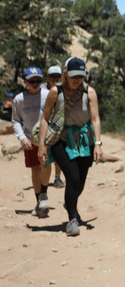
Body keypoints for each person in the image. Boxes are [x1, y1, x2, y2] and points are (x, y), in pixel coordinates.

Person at [37, 57, 103, 237]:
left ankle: (70, 202)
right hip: (61, 140)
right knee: (72, 177)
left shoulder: (90, 93)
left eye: (80, 76)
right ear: (65, 74)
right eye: (73, 76)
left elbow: (95, 119)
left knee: (80, 181)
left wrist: (97, 144)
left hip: (84, 141)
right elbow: (44, 118)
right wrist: (41, 145)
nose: (77, 80)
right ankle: (72, 219)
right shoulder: (54, 92)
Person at [11, 67, 53, 217]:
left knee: (46, 164)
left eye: (38, 80)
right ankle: (39, 201)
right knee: (35, 169)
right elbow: (15, 120)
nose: (35, 83)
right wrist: (22, 137)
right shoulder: (19, 99)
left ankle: (44, 193)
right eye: (32, 81)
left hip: (46, 138)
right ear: (25, 82)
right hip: (29, 138)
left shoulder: (48, 95)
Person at [43, 65, 66, 189]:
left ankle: (57, 177)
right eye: (53, 76)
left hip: (58, 125)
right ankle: (43, 180)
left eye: (58, 76)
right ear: (48, 76)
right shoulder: (41, 89)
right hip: (45, 123)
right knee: (45, 152)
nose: (55, 79)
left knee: (59, 152)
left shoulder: (63, 90)